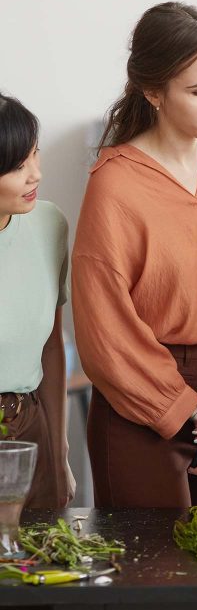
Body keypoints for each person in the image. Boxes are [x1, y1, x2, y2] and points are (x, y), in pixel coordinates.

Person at [72, 2, 197, 508]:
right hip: (140, 404)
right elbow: (104, 330)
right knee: (155, 557)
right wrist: (194, 413)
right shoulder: (114, 184)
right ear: (153, 92)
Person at [0, 93, 74, 508]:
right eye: (17, 165)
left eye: (34, 154)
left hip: (30, 426)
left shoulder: (49, 224)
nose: (35, 175)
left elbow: (51, 347)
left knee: (40, 544)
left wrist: (59, 451)